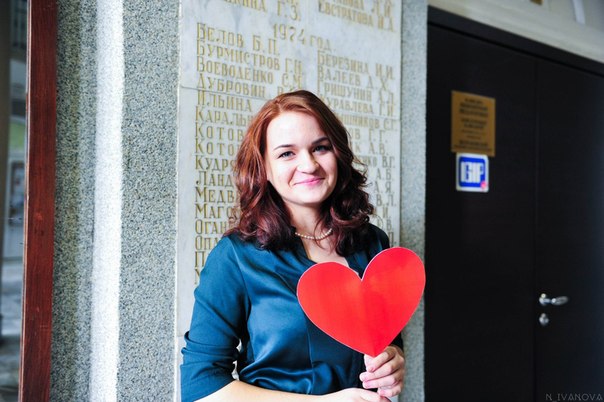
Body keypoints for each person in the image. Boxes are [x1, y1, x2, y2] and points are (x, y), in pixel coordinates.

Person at [181, 90, 405, 402]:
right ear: (264, 168)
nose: (309, 165)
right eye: (287, 154)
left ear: (338, 153)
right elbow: (200, 387)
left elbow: (386, 340)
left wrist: (393, 359)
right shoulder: (235, 257)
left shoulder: (372, 242)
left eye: (320, 147)